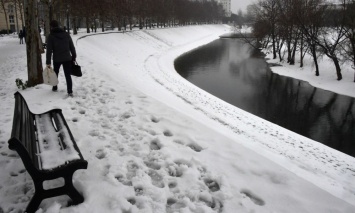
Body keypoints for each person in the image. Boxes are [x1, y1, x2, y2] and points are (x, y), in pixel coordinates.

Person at [46, 20, 76, 97]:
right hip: (67, 58)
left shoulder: (51, 36)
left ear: (51, 27)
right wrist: (74, 56)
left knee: (55, 73)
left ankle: (55, 87)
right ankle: (70, 91)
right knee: (67, 75)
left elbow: (49, 50)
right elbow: (72, 46)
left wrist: (48, 62)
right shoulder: (66, 34)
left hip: (57, 59)